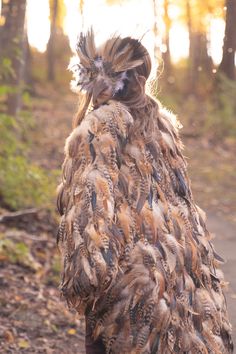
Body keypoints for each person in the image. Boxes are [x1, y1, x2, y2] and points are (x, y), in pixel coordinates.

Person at [57, 30, 233, 354]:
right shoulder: (161, 124)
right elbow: (184, 204)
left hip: (127, 283)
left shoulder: (100, 128)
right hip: (174, 273)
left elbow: (89, 215)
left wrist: (85, 280)